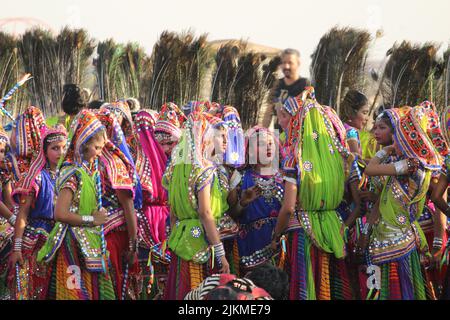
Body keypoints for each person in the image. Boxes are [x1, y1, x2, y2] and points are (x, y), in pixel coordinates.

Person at [37, 110, 138, 300]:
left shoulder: (86, 172)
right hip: (72, 244)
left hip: (87, 243)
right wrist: (92, 219)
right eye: (98, 148)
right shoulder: (73, 173)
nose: (101, 153)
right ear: (84, 145)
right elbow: (60, 213)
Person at [272, 87, 355, 300]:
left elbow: (289, 207)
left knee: (307, 289)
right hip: (333, 228)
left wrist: (276, 235)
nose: (280, 121)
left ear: (297, 119)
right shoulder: (336, 158)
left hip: (303, 235)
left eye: (283, 115)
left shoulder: (293, 158)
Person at [359, 106, 444, 300]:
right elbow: (381, 201)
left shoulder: (411, 165)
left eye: (398, 135)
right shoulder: (401, 161)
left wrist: (387, 149)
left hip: (397, 242)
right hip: (381, 239)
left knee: (400, 291)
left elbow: (370, 170)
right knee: (377, 291)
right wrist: (366, 231)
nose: (376, 132)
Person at [162, 107, 231, 300]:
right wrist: (220, 252)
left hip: (182, 239)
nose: (226, 142)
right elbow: (205, 213)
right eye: (221, 136)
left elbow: (173, 212)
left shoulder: (176, 170)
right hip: (201, 241)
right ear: (207, 137)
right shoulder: (205, 170)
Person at [8, 127, 67, 300]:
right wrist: (17, 248)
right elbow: (22, 215)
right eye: (55, 148)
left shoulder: (69, 177)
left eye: (63, 147)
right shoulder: (37, 178)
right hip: (33, 242)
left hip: (58, 241)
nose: (60, 152)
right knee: (30, 290)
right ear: (45, 152)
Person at [228, 127, 283, 274]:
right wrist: (243, 203)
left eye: (271, 143)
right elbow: (231, 215)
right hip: (249, 246)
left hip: (280, 245)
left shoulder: (286, 178)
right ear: (251, 151)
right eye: (262, 144)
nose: (268, 147)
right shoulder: (239, 179)